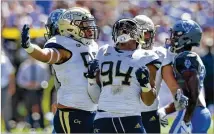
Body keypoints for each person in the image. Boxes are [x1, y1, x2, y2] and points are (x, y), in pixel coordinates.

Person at [21, 7, 99, 133]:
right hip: (73, 110)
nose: (90, 28)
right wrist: (29, 47)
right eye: (84, 25)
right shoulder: (62, 43)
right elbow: (47, 55)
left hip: (92, 109)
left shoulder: (92, 45)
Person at [89, 18, 159, 133]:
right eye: (121, 30)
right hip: (103, 116)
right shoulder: (104, 51)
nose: (123, 33)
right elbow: (95, 97)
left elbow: (148, 101)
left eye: (126, 30)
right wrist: (90, 79)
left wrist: (145, 84)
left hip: (130, 116)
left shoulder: (146, 56)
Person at [158, 20, 211, 133]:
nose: (172, 38)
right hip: (198, 113)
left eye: (176, 35)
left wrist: (186, 120)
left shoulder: (186, 58)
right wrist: (165, 111)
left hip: (192, 114)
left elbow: (193, 93)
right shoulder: (189, 57)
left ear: (186, 38)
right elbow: (185, 97)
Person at [134, 15, 168, 133]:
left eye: (148, 33)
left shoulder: (161, 53)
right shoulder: (124, 54)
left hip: (150, 111)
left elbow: (173, 81)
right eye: (142, 33)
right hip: (128, 112)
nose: (146, 37)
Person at [16, 56, 50, 128]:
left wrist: (39, 84)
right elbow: (19, 80)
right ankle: (30, 125)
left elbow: (46, 79)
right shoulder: (24, 66)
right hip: (27, 90)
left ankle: (42, 125)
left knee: (41, 107)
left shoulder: (42, 66)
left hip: (39, 90)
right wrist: (27, 84)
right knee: (28, 108)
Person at [1, 50, 16, 132]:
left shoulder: (4, 59)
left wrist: (12, 85)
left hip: (4, 87)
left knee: (5, 108)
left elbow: (11, 73)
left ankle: (7, 128)